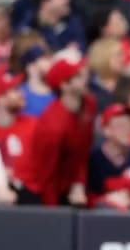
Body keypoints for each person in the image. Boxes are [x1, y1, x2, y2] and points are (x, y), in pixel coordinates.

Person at [15, 58, 96, 206]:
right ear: (64, 85)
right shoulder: (52, 125)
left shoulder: (89, 104)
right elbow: (46, 176)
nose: (85, 78)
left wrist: (79, 183)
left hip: (70, 184)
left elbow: (83, 151)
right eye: (77, 76)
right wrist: (55, 214)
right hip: (40, 190)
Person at [86, 104, 130, 210]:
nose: (128, 130)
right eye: (121, 126)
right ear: (107, 130)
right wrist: (106, 200)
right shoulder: (93, 158)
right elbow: (85, 197)